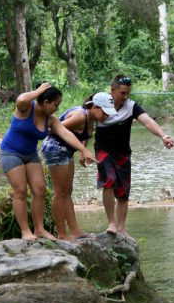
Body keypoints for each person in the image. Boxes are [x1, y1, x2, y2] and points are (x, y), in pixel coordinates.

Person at [0, 82, 97, 241]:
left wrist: (83, 149)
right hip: (11, 152)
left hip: (30, 154)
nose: (57, 109)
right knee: (21, 191)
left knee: (40, 190)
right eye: (55, 105)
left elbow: (66, 134)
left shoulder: (50, 120)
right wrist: (38, 91)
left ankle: (39, 229)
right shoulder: (26, 108)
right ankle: (25, 231)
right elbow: (20, 99)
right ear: (45, 102)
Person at [96, 75, 174, 240]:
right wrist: (82, 149)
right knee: (108, 182)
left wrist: (163, 135)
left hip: (123, 153)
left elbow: (147, 121)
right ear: (112, 90)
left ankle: (121, 228)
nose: (125, 97)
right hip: (104, 152)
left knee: (123, 193)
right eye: (123, 93)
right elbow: (86, 123)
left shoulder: (131, 106)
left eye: (128, 93)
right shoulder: (100, 103)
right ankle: (111, 223)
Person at [41, 92, 117, 240]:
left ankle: (75, 231)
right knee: (60, 193)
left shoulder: (91, 118)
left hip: (66, 151)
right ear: (95, 107)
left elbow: (82, 136)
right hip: (55, 149)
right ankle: (62, 234)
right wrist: (83, 150)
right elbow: (55, 129)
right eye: (105, 112)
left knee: (67, 191)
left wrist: (82, 152)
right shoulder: (80, 116)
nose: (107, 116)